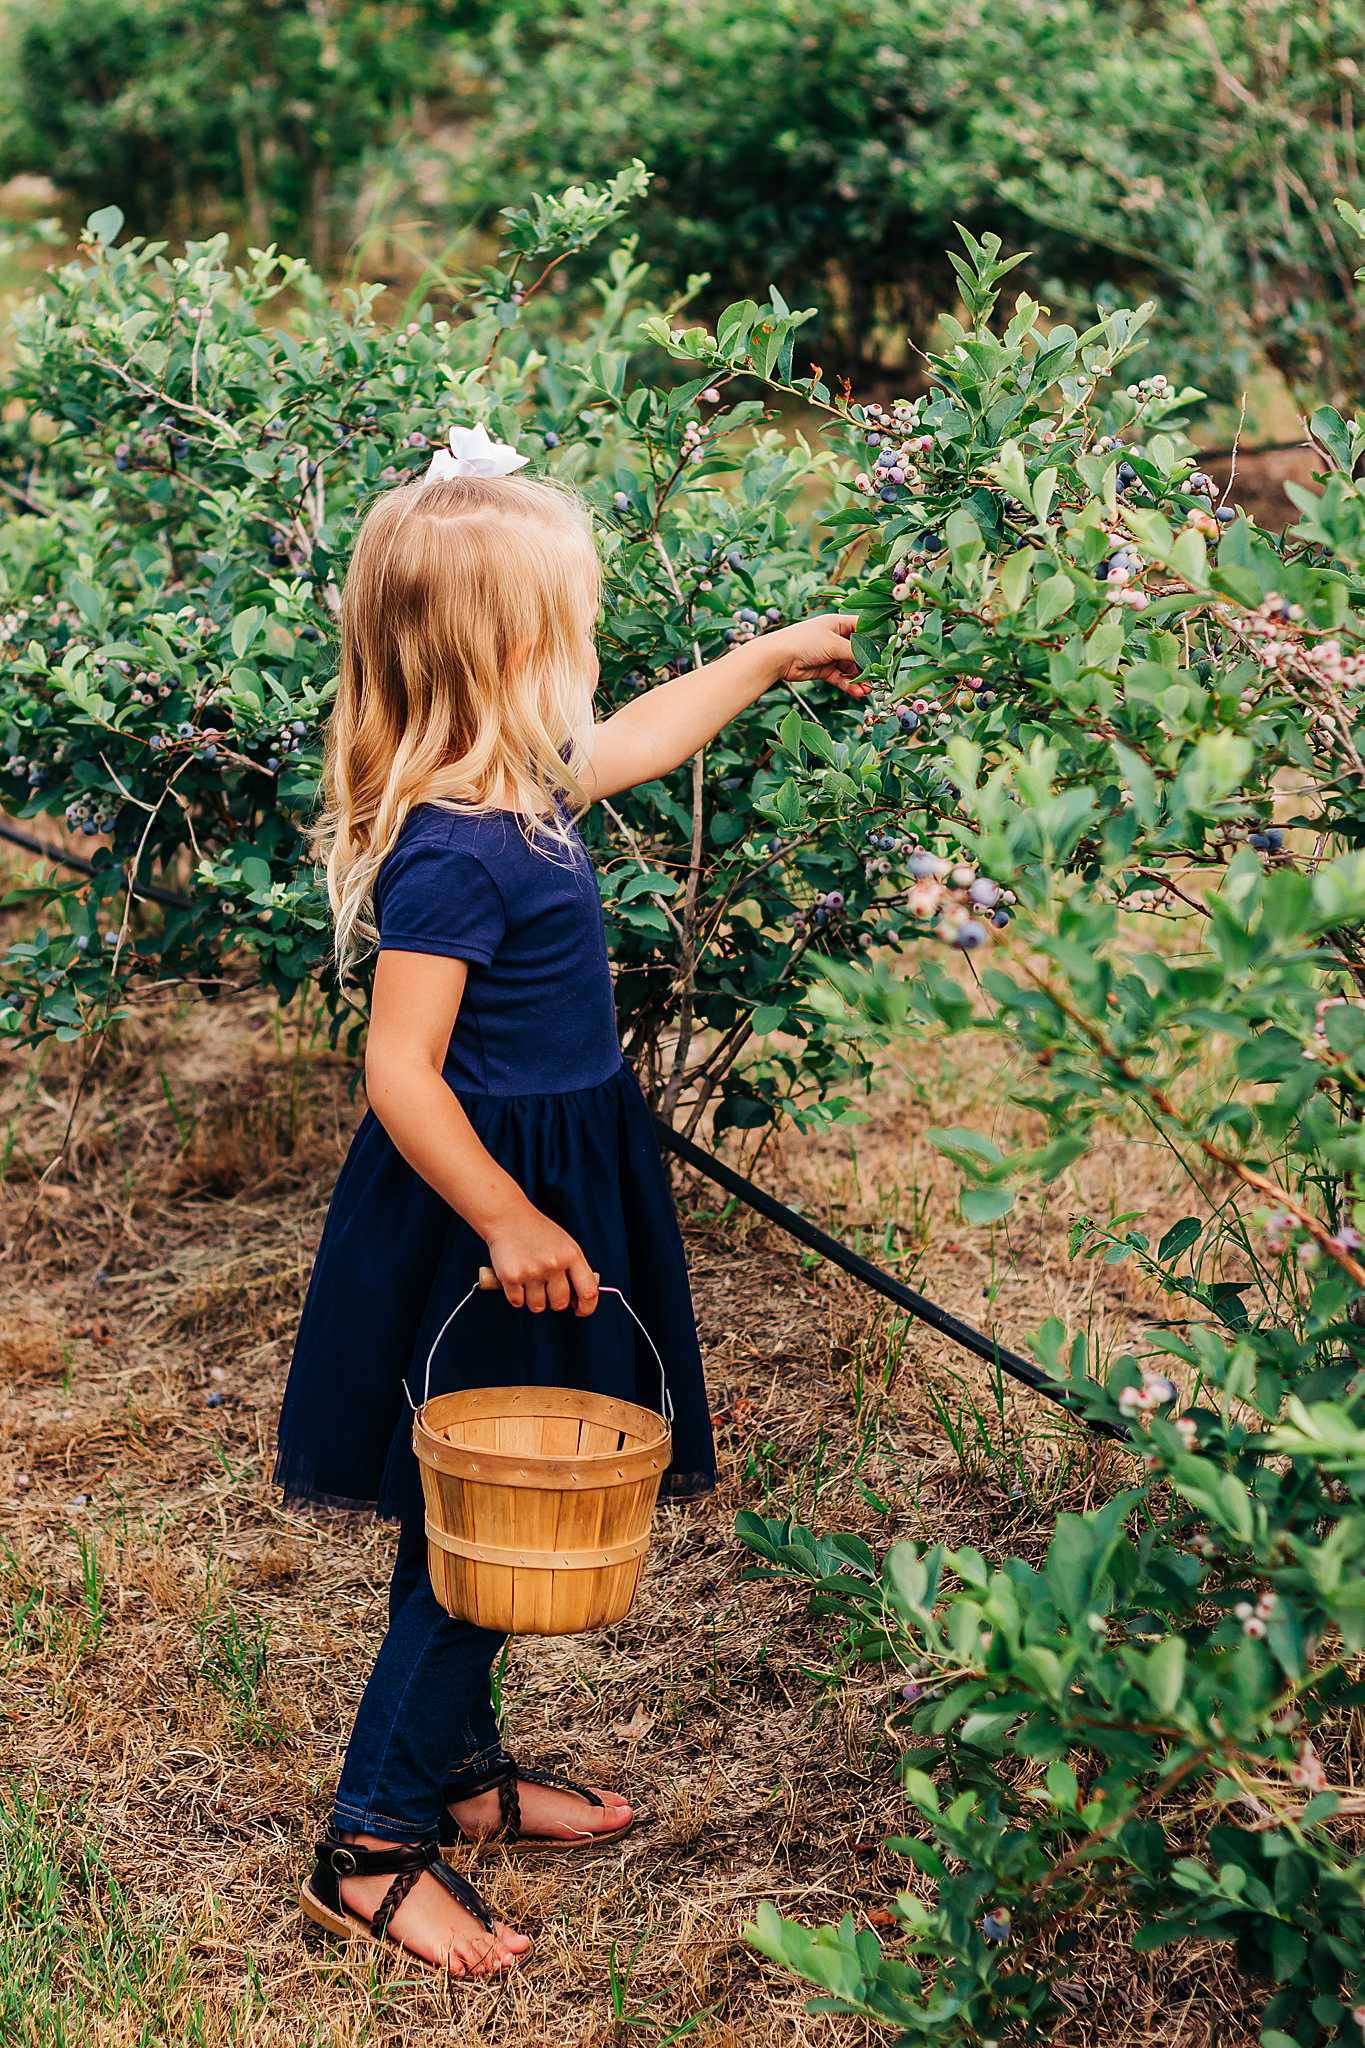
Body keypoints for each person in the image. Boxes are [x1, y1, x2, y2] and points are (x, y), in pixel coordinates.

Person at [277, 423, 864, 1974]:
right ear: (512, 648)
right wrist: (511, 1222)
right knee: (486, 1517)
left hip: (554, 1176)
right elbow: (402, 1072)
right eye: (576, 624)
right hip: (491, 1213)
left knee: (505, 1501)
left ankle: (460, 1779)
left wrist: (772, 655)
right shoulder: (458, 853)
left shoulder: (522, 783)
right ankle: (374, 1839)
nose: (594, 651)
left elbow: (648, 741)